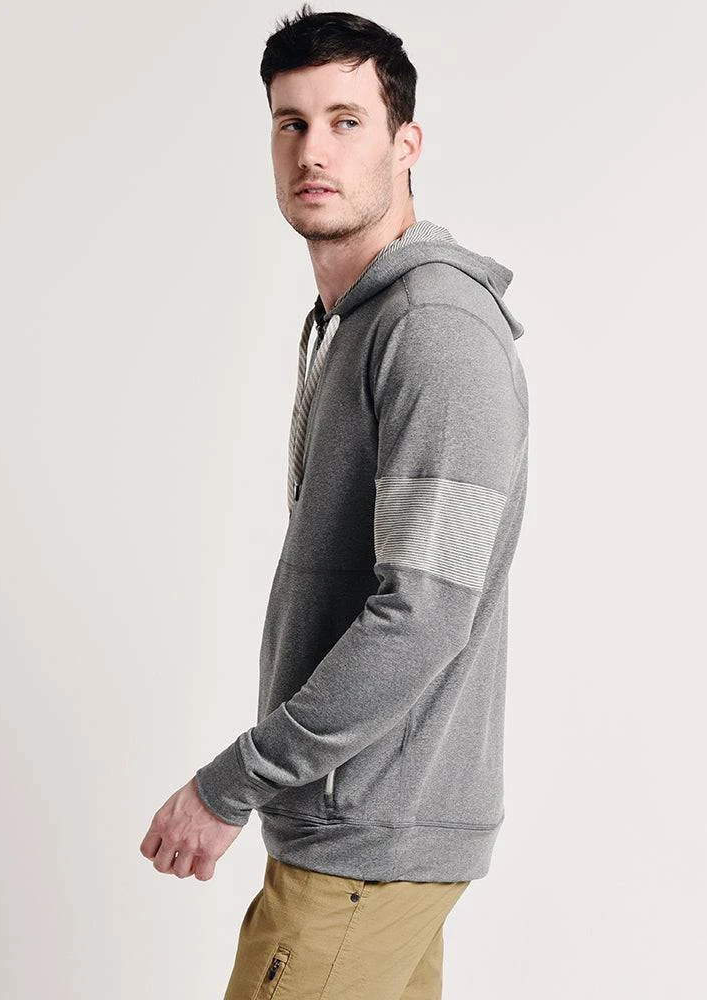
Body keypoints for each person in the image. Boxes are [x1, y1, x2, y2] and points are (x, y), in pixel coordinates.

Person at [140, 5, 529, 997]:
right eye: (292, 122)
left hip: (365, 842)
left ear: (407, 145)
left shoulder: (433, 327)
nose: (313, 150)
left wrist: (231, 783)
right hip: (365, 833)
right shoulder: (353, 322)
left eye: (346, 121)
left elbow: (423, 614)